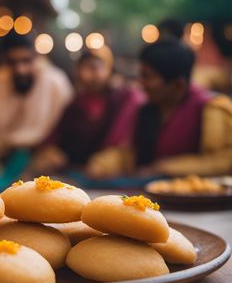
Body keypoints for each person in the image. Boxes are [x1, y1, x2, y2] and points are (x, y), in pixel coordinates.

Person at [87, 39, 232, 180]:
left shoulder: (212, 107)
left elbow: (222, 161)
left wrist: (163, 168)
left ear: (177, 85)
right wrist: (102, 164)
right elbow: (130, 153)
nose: (140, 83)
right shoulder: (147, 109)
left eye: (147, 77)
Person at [31, 47, 144, 174]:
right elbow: (57, 136)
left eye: (95, 68)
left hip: (107, 170)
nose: (88, 75)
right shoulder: (76, 104)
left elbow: (122, 140)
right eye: (83, 69)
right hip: (75, 168)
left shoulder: (125, 97)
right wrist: (51, 152)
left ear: (109, 69)